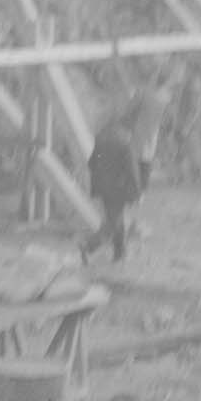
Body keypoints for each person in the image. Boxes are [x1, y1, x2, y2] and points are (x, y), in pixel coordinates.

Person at [78, 85, 170, 266]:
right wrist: (137, 192)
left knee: (116, 220)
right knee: (113, 223)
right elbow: (132, 171)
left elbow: (91, 163)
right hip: (118, 189)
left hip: (102, 188)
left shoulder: (101, 138)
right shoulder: (126, 144)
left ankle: (120, 253)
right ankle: (88, 246)